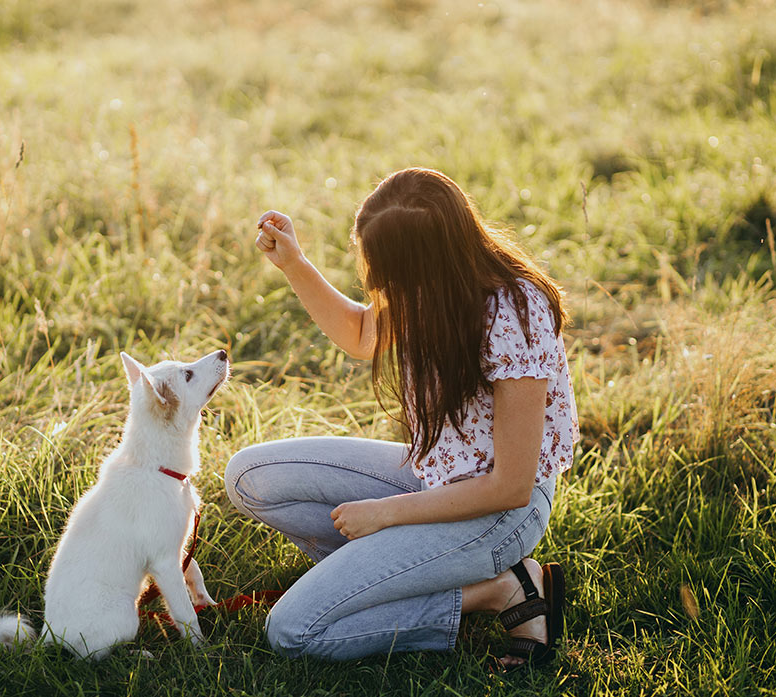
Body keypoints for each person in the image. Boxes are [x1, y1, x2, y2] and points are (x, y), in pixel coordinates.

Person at [225, 167, 579, 667]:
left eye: (390, 275)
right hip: (434, 478)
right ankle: (391, 577)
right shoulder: (430, 288)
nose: (383, 287)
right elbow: (362, 335)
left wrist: (385, 514)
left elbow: (511, 488)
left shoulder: (514, 313)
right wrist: (295, 264)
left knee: (292, 631)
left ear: (427, 262)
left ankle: (500, 589)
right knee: (248, 476)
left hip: (498, 516)